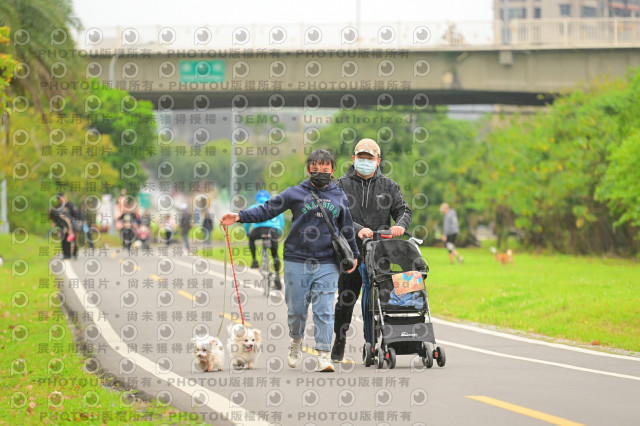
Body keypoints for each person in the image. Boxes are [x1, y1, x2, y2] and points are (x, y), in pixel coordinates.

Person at [220, 149, 359, 373]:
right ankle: (296, 341)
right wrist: (239, 216)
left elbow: (347, 227)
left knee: (324, 310)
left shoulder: (339, 196)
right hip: (297, 259)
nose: (320, 172)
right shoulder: (295, 193)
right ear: (308, 169)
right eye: (315, 168)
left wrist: (354, 255)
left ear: (333, 170)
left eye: (325, 169)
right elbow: (267, 210)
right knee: (297, 310)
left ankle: (323, 355)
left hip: (327, 261)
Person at [331, 139, 413, 363]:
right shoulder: (340, 185)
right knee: (345, 301)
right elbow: (335, 214)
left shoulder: (389, 186)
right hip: (350, 254)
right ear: (354, 158)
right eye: (361, 157)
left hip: (379, 253)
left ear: (378, 161)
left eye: (370, 158)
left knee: (381, 300)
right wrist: (358, 229)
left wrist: (400, 226)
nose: (365, 161)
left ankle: (378, 343)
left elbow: (404, 210)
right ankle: (339, 341)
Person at [243, 190, 285, 290]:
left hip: (258, 230)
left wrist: (247, 232)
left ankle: (254, 260)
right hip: (273, 231)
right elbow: (281, 221)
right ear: (269, 197)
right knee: (275, 254)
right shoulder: (274, 206)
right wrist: (279, 231)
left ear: (257, 198)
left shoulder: (253, 207)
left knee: (251, 238)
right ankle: (277, 276)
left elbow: (246, 223)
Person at [48, 192, 80, 260]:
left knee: (71, 239)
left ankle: (74, 253)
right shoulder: (58, 206)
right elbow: (56, 216)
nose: (60, 200)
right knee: (64, 240)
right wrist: (54, 223)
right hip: (62, 226)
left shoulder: (70, 204)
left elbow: (76, 214)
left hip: (71, 225)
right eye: (59, 199)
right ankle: (66, 254)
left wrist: (73, 225)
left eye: (61, 198)